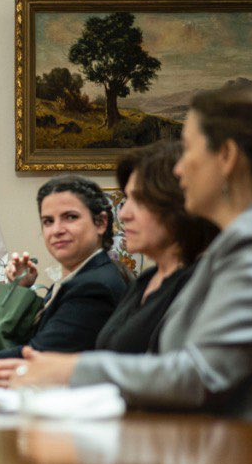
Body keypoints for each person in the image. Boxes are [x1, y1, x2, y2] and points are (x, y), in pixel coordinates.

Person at [0, 83, 252, 426]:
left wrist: (73, 369)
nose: (178, 169)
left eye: (188, 149)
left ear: (227, 156)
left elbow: (203, 375)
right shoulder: (250, 235)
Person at [0, 175, 128, 379]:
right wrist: (21, 289)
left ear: (100, 223)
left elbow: (35, 357)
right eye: (48, 221)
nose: (57, 230)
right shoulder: (79, 277)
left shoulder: (94, 285)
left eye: (70, 217)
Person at [92, 140, 217, 354]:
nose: (123, 214)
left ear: (178, 204)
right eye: (126, 199)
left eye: (139, 201)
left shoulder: (199, 282)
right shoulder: (145, 279)